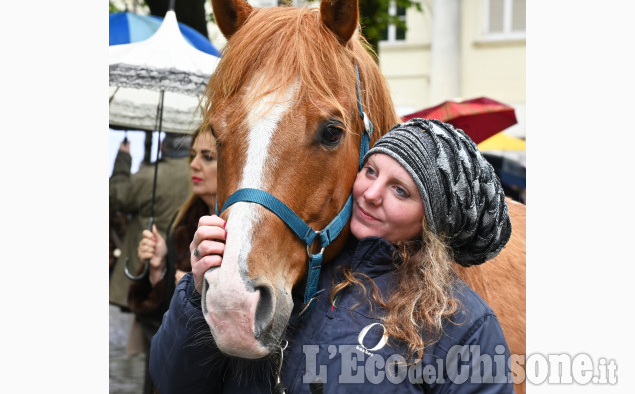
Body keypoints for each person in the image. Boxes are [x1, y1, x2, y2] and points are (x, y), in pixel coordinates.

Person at [149, 119, 514, 393]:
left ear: (433, 220)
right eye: (370, 171)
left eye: (400, 191)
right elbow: (173, 382)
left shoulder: (463, 325)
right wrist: (199, 295)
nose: (370, 193)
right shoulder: (293, 270)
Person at [127, 127, 218, 394]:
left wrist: (198, 292)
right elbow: (158, 321)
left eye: (207, 157)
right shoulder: (183, 223)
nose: (193, 164)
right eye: (192, 155)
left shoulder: (244, 231)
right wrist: (158, 269)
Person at [109, 132, 192, 310]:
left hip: (147, 263)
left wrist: (123, 158)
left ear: (164, 145)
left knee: (145, 320)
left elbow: (117, 196)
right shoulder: (199, 174)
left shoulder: (151, 175)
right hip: (184, 263)